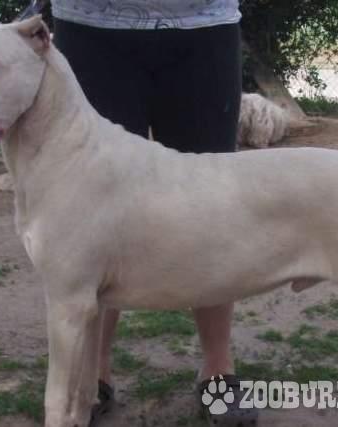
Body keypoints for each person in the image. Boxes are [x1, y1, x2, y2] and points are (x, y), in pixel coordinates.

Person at [51, 2, 257, 426]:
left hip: (202, 24)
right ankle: (93, 376)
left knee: (209, 206)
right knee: (94, 212)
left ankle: (218, 369)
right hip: (91, 27)